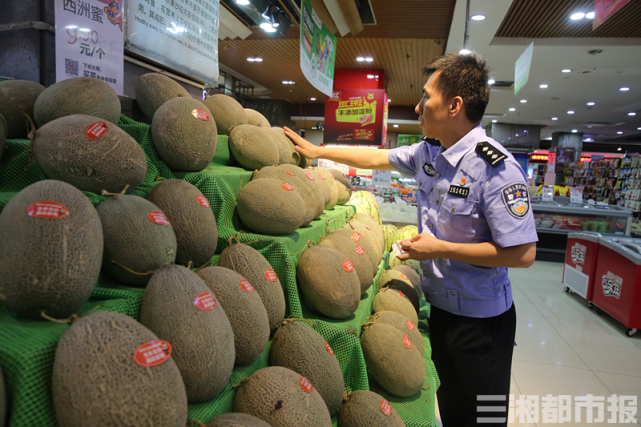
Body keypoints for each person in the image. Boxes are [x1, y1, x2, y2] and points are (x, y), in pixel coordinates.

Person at [284, 52, 538, 427]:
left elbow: (523, 253)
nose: (418, 106)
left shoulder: (495, 167)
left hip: (481, 323)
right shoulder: (428, 152)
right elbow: (377, 157)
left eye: (426, 97)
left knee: (482, 417)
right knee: (451, 405)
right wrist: (319, 151)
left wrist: (440, 248)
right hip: (441, 310)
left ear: (454, 106)